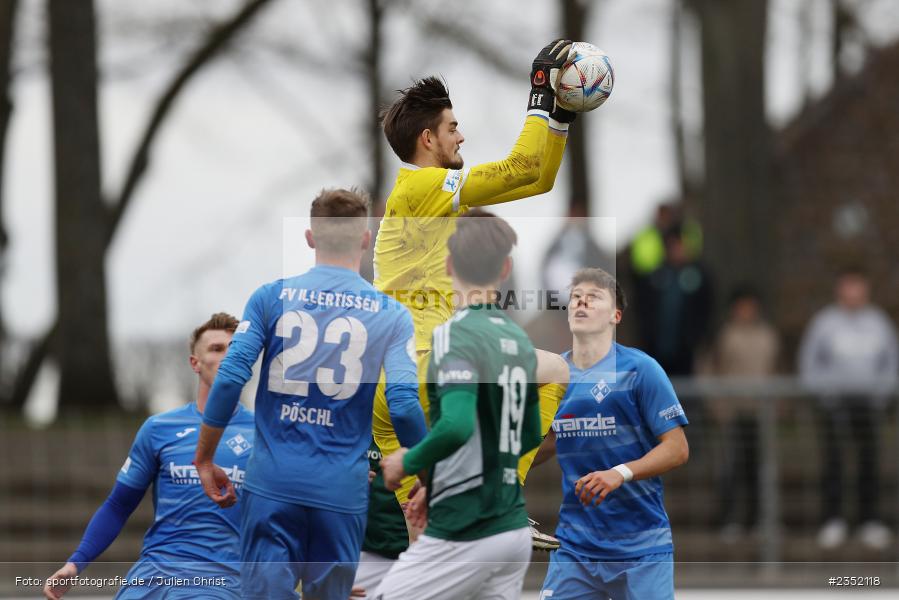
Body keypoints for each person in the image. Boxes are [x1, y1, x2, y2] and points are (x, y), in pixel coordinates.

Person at [371, 39, 575, 545]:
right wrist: (540, 94)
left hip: (385, 385)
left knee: (426, 537)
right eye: (452, 128)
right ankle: (503, 495)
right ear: (428, 139)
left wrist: (560, 115)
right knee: (555, 370)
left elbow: (539, 179)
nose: (461, 136)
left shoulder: (423, 197)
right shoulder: (422, 187)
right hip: (427, 366)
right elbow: (521, 167)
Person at [193, 189, 427, 600]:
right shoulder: (391, 314)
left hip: (273, 484)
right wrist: (430, 477)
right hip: (341, 491)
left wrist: (205, 457)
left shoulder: (270, 297)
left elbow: (230, 379)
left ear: (310, 237)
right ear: (365, 239)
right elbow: (405, 406)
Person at [376, 211, 542, 600]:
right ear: (506, 268)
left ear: (448, 265)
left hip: (466, 527)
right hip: (512, 528)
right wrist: (442, 484)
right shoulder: (519, 339)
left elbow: (456, 425)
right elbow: (531, 433)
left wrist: (408, 461)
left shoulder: (454, 334)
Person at [43, 313, 253, 600]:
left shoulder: (263, 433)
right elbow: (118, 505)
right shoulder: (159, 428)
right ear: (195, 363)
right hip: (152, 576)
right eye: (217, 349)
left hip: (220, 580)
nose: (227, 357)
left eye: (234, 350)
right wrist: (75, 564)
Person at [533, 267, 690, 600]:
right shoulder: (555, 375)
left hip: (641, 548)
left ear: (615, 316)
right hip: (575, 547)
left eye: (593, 297)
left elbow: (677, 448)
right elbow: (551, 441)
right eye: (576, 297)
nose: (581, 302)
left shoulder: (640, 370)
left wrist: (619, 473)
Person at [799, 267, 898, 550]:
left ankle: (869, 520)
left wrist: (882, 395)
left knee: (869, 461)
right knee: (834, 462)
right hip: (835, 406)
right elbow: (809, 362)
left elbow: (891, 362)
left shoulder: (879, 323)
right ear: (839, 289)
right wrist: (824, 394)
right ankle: (833, 520)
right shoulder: (824, 323)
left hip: (869, 405)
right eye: (848, 286)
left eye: (858, 286)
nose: (853, 292)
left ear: (865, 289)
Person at [708, 286, 779, 541]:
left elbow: (773, 369)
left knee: (759, 468)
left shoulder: (767, 336)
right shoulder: (726, 336)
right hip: (733, 411)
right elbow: (714, 369)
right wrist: (718, 406)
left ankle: (757, 518)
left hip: (760, 412)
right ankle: (730, 518)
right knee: (731, 467)